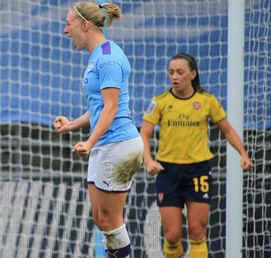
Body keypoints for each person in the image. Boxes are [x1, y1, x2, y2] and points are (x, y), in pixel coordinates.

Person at [140, 52, 253, 258]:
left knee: (197, 231)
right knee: (172, 236)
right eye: (171, 72)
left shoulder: (207, 100)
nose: (174, 77)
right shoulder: (160, 102)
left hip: (198, 170)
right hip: (168, 171)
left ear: (193, 74)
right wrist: (148, 160)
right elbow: (144, 134)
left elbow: (227, 129)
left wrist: (243, 154)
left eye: (180, 72)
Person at [53, 2, 143, 258]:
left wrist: (90, 142)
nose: (65, 30)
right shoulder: (98, 56)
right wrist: (72, 124)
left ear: (84, 25)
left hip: (118, 144)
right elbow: (100, 107)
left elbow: (112, 108)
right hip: (107, 144)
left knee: (111, 220)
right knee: (102, 220)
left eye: (68, 24)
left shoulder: (108, 58)